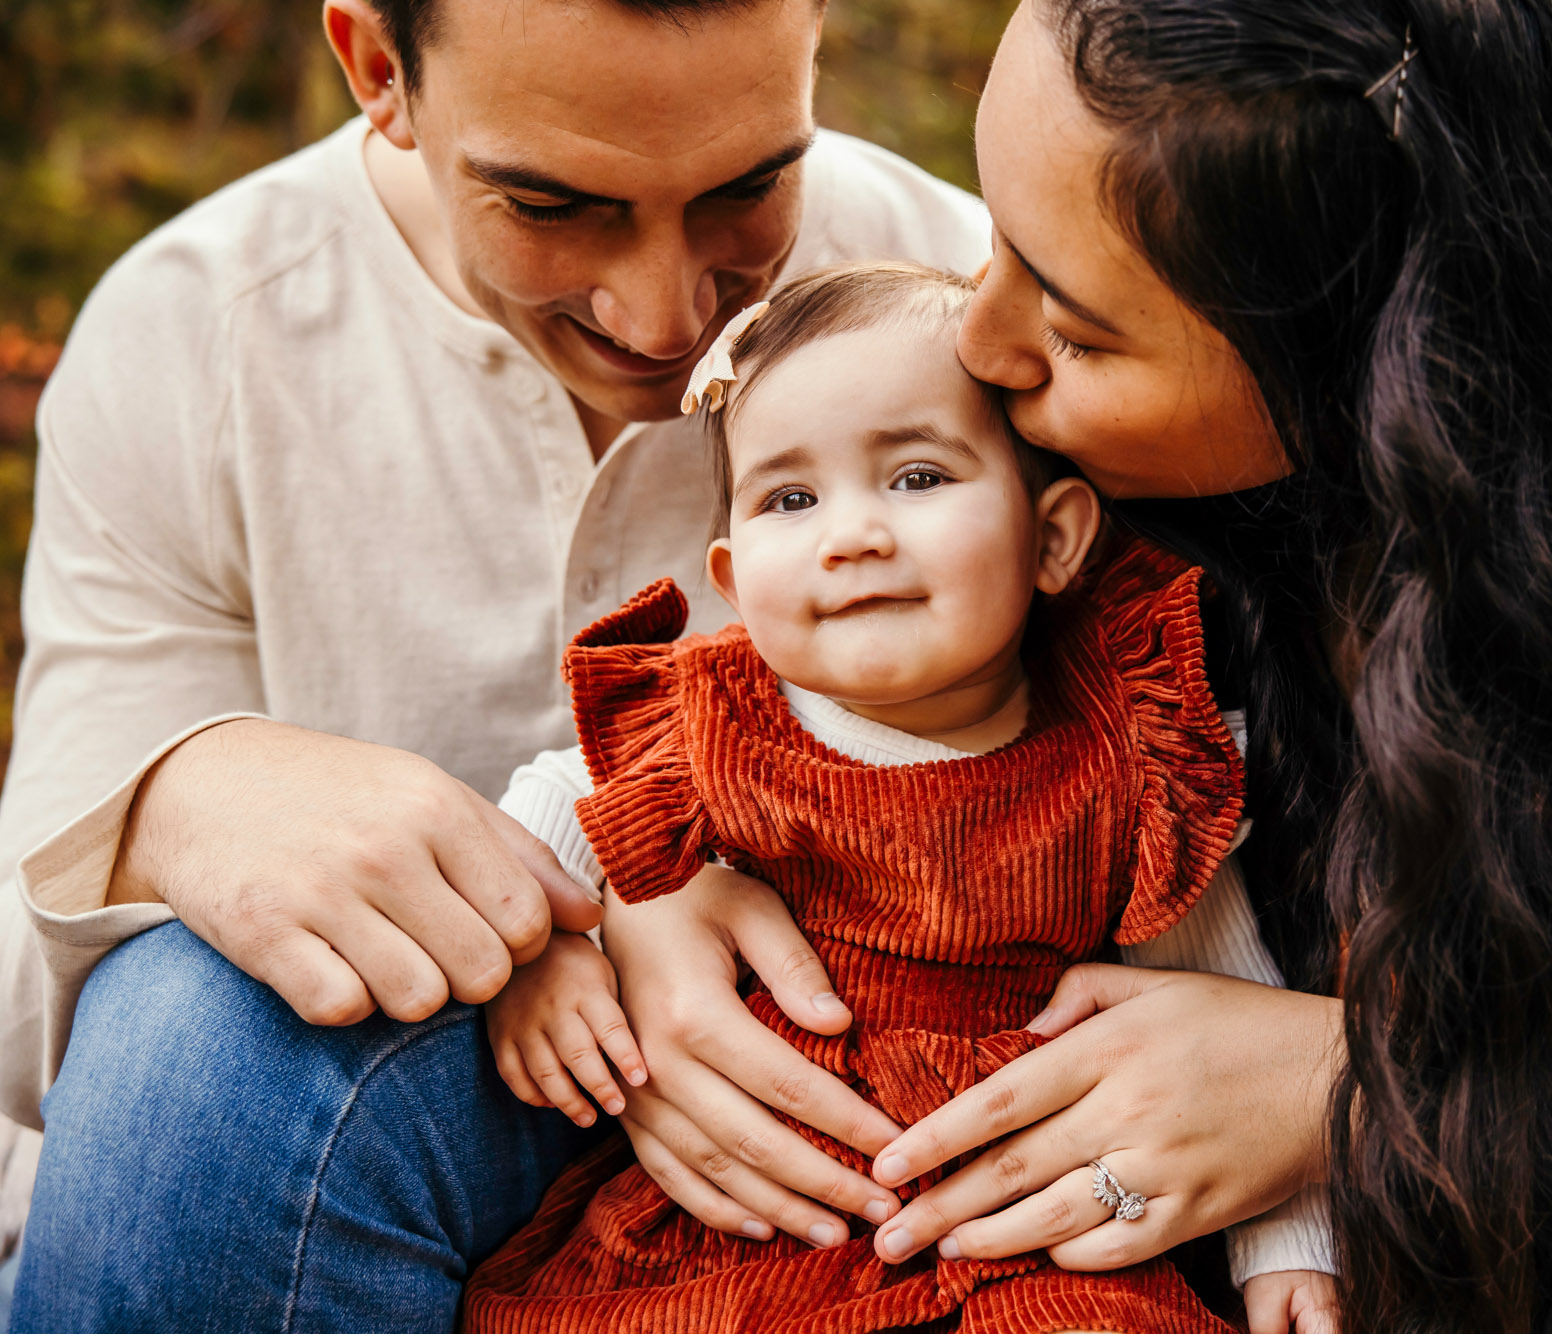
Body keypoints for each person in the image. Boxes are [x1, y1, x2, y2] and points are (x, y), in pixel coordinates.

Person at [600, 1, 1552, 1330]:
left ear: (1360, 361)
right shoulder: (1108, 480)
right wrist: (649, 908)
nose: (984, 341)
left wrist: (1368, 1086)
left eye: (1076, 325)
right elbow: (823, 712)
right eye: (996, 243)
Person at [2, 0, 989, 1326]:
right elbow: (31, 1025)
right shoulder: (196, 336)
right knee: (191, 1034)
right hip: (286, 1197)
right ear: (377, 69)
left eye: (749, 189)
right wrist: (182, 803)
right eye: (552, 206)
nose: (666, 315)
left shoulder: (971, 294)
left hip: (843, 1176)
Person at [460, 261, 1335, 1331]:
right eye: (791, 497)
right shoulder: (716, 717)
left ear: (1052, 537)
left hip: (1023, 1231)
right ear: (734, 581)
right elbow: (553, 805)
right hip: (756, 1215)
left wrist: (1288, 1242)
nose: (852, 533)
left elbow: (1217, 1012)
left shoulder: (1121, 749)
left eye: (916, 477)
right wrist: (535, 951)